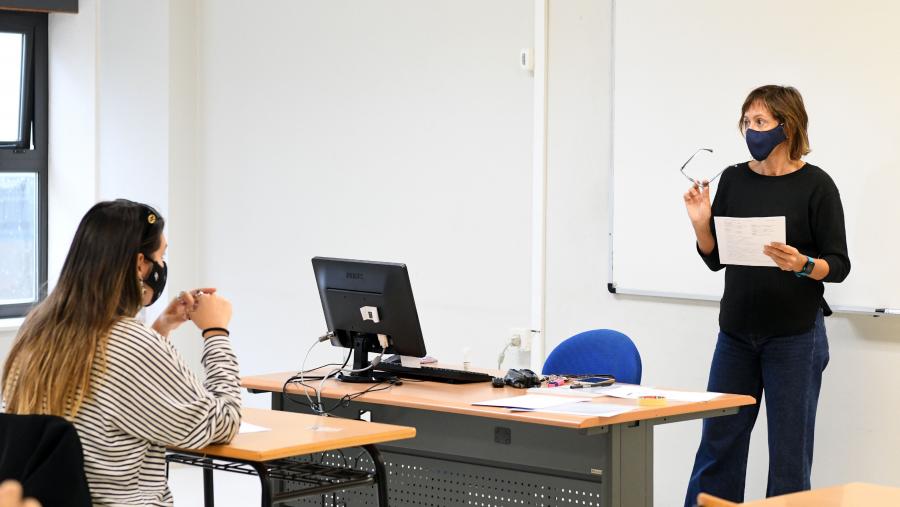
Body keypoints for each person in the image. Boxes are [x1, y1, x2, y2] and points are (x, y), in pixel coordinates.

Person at [2, 199, 241, 506]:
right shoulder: (131, 343)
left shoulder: (37, 331)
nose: (163, 264)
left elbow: (108, 394)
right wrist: (216, 332)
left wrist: (161, 329)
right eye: (162, 254)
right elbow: (222, 422)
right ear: (141, 264)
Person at [682, 85, 850, 505]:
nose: (751, 131)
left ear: (786, 126)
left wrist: (803, 264)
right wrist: (702, 223)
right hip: (736, 335)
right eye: (747, 122)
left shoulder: (817, 185)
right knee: (717, 447)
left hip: (795, 338)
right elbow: (716, 258)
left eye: (760, 122)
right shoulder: (735, 179)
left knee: (789, 459)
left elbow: (839, 264)